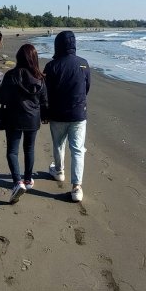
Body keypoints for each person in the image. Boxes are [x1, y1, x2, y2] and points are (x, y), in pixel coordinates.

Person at [0, 44, 48, 204]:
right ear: (34, 59)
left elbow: (2, 98)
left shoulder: (12, 75)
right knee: (29, 149)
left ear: (19, 58)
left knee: (13, 151)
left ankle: (18, 182)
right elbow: (44, 101)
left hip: (14, 118)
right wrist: (44, 117)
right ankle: (28, 180)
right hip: (33, 119)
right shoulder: (41, 78)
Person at [43, 30, 91, 203]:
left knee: (58, 144)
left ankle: (59, 171)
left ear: (58, 45)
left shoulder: (52, 66)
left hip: (57, 113)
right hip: (78, 113)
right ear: (73, 45)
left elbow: (45, 92)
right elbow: (87, 88)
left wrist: (45, 113)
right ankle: (76, 187)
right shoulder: (83, 64)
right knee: (78, 149)